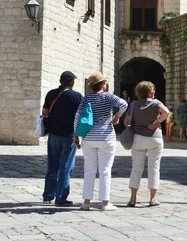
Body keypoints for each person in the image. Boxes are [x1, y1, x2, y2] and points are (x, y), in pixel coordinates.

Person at [74, 72, 127, 211]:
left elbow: (77, 116)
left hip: (89, 138)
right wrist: (117, 116)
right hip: (106, 137)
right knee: (105, 170)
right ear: (103, 84)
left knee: (89, 170)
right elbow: (124, 104)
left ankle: (86, 202)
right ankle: (105, 203)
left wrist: (76, 135)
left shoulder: (86, 98)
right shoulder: (108, 97)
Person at [124, 81, 169, 207]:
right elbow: (165, 112)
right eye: (153, 89)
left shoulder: (133, 105)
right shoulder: (156, 103)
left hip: (137, 138)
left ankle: (133, 198)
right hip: (154, 138)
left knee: (136, 168)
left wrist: (134, 124)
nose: (154, 91)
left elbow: (126, 122)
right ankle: (153, 198)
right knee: (154, 168)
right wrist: (156, 123)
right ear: (149, 92)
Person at [42, 71, 82, 206]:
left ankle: (48, 195)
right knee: (66, 166)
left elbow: (45, 112)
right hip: (69, 135)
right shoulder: (76, 96)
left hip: (53, 134)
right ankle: (61, 198)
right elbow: (80, 116)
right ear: (72, 83)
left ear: (60, 81)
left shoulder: (51, 93)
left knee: (52, 164)